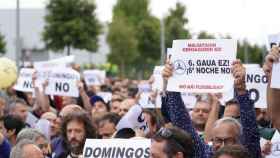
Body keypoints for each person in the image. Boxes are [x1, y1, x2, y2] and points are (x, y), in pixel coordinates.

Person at [161, 59, 261, 158]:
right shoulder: (206, 155)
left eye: (228, 141)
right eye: (218, 140)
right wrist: (172, 84)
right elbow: (182, 123)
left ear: (240, 141)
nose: (222, 146)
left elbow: (250, 131)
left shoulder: (247, 154)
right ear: (212, 141)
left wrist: (241, 89)